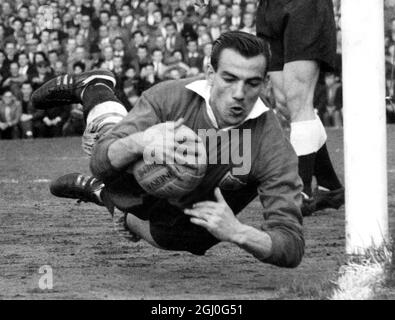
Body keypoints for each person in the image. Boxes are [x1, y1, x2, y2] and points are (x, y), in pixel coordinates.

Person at [31, 31, 304, 268]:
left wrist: (239, 232)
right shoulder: (170, 97)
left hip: (193, 209)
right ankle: (95, 87)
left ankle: (103, 196)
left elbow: (291, 244)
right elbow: (101, 161)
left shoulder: (272, 146)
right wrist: (141, 141)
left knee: (190, 240)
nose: (239, 93)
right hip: (138, 177)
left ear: (265, 83)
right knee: (115, 154)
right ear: (210, 74)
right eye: (229, 79)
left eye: (252, 83)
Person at [254, 0, 345, 215]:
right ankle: (330, 186)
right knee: (285, 103)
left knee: (298, 98)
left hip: (304, 5)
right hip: (269, 7)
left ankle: (299, 191)